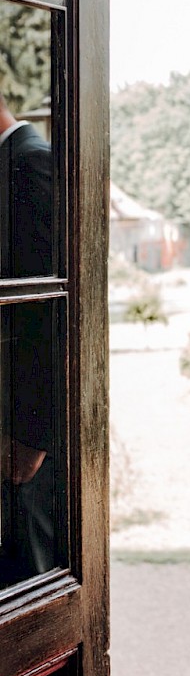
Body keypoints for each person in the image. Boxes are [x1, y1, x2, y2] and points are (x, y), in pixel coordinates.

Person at [0, 90, 56, 587]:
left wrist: (29, 434)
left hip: (20, 437)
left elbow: (49, 316)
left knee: (29, 580)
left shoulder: (31, 166)